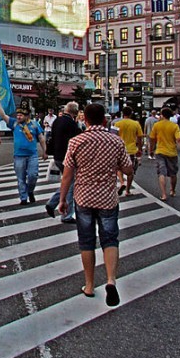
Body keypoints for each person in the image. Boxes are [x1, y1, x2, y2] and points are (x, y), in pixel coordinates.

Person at [57, 103, 133, 307]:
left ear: (85, 120)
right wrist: (124, 179)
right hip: (107, 198)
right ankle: (110, 280)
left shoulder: (76, 142)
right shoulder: (115, 141)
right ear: (105, 120)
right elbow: (127, 168)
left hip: (83, 198)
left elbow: (67, 175)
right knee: (110, 239)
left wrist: (62, 200)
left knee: (86, 241)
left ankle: (89, 285)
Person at [0, 103, 47, 205]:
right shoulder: (14, 123)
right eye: (18, 115)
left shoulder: (34, 124)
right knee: (21, 178)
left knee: (33, 176)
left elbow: (41, 138)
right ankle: (23, 198)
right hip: (19, 156)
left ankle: (30, 191)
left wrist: (45, 151)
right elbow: (3, 115)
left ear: (27, 116)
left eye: (21, 115)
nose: (18, 117)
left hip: (32, 155)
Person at [44, 101, 80, 222]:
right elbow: (78, 138)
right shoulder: (71, 123)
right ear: (74, 112)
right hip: (67, 157)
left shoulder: (57, 121)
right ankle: (66, 215)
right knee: (70, 184)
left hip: (57, 156)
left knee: (68, 182)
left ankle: (52, 203)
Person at [148, 107, 180, 201]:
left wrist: (151, 150)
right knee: (173, 173)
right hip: (172, 152)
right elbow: (179, 139)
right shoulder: (174, 126)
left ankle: (163, 194)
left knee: (161, 173)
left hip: (160, 151)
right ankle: (172, 190)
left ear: (162, 115)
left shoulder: (157, 125)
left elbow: (152, 139)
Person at [114, 106, 143, 197]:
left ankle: (122, 182)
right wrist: (140, 148)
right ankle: (128, 190)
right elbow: (139, 137)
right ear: (131, 113)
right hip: (131, 150)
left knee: (119, 168)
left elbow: (113, 137)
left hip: (120, 150)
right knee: (131, 172)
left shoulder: (117, 124)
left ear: (123, 113)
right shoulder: (136, 124)